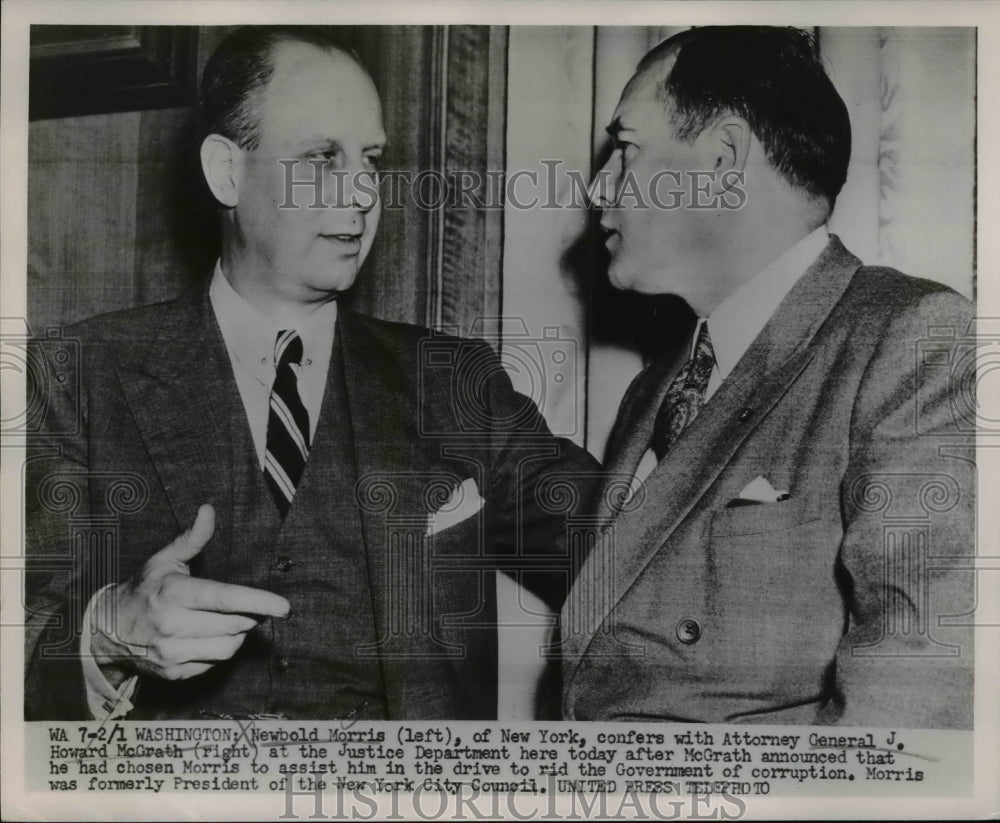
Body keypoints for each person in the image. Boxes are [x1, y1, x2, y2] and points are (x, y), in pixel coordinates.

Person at [24, 26, 599, 721]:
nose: (362, 193)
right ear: (226, 171)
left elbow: (632, 543)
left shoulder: (453, 382)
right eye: (322, 158)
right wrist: (105, 634)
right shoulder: (77, 377)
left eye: (371, 160)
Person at [562, 26, 974, 728]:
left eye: (626, 149)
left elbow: (917, 695)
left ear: (723, 158)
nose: (600, 187)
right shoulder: (653, 390)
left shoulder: (914, 341)